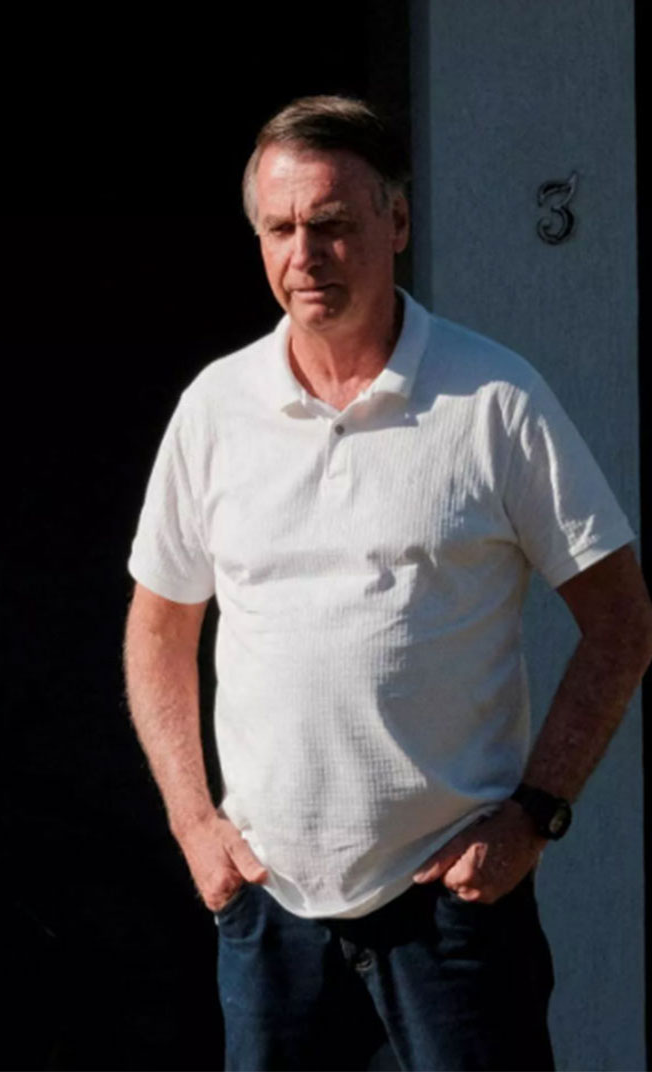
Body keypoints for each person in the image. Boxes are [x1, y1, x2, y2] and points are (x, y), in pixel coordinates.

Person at [124, 95, 652, 1071]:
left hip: (454, 909)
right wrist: (195, 827)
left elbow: (619, 623)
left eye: (332, 225)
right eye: (280, 229)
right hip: (269, 912)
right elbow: (157, 629)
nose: (304, 254)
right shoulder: (216, 409)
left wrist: (535, 815)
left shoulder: (492, 400)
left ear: (396, 224)